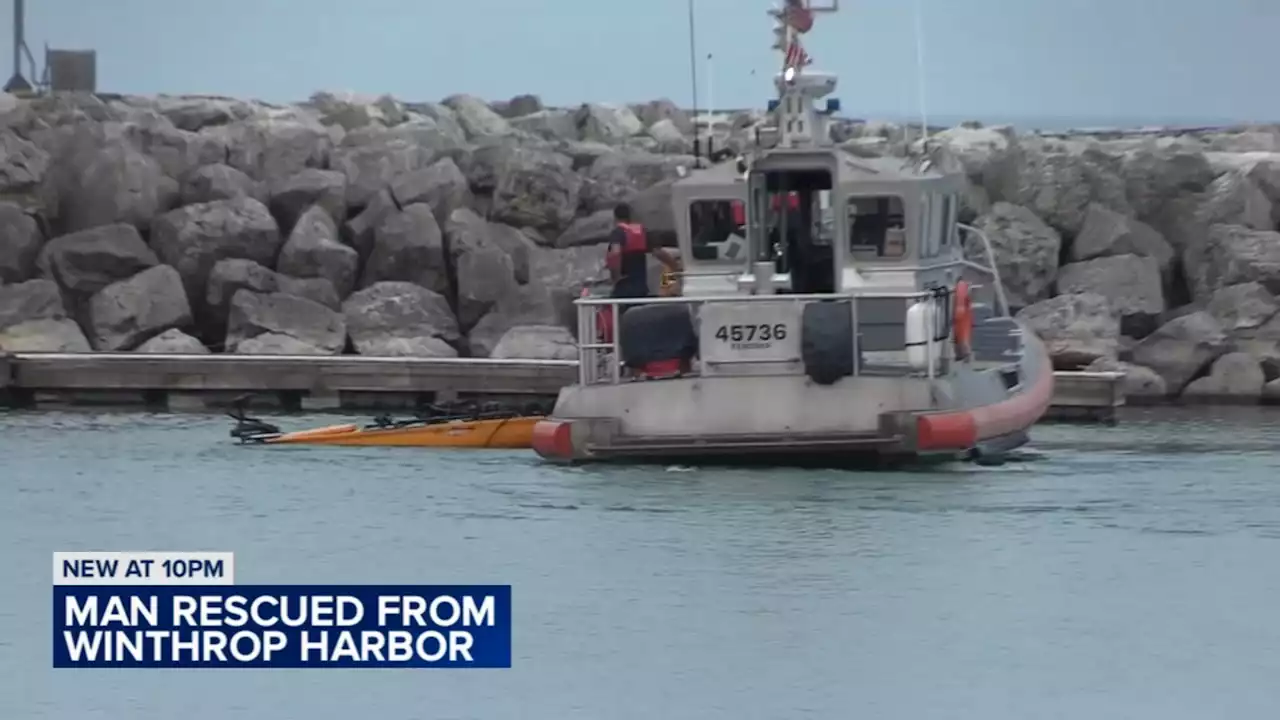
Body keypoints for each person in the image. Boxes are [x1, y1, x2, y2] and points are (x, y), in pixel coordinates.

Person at [605, 203, 680, 301]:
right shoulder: (642, 232)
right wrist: (675, 266)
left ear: (615, 217)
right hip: (640, 288)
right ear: (630, 216)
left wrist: (616, 276)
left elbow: (615, 253)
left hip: (623, 287)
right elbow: (659, 252)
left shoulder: (617, 233)